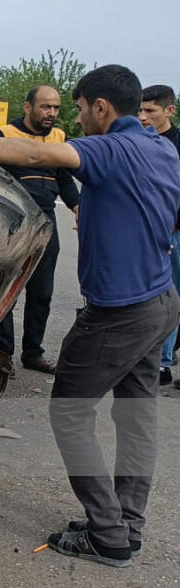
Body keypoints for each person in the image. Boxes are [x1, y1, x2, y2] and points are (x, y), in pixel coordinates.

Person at [0, 65, 180, 567]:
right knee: (136, 416)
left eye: (78, 108)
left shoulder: (111, 148)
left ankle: (107, 534)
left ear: (101, 107)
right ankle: (126, 525)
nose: (74, 118)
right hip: (160, 303)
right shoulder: (160, 146)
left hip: (117, 316)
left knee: (70, 414)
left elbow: (35, 152)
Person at [0, 86, 80, 375]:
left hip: (47, 223)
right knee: (5, 293)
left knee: (41, 293)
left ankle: (33, 354)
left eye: (55, 108)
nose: (51, 113)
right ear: (28, 107)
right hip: (14, 225)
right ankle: (2, 355)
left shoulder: (60, 138)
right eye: (45, 107)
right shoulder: (4, 136)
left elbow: (64, 179)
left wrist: (78, 206)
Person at [137, 85, 180, 387]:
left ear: (169, 110)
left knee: (170, 297)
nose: (143, 117)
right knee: (159, 298)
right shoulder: (139, 142)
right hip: (149, 231)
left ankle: (162, 364)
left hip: (173, 232)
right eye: (140, 110)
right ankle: (160, 362)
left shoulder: (176, 144)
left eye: (150, 111)